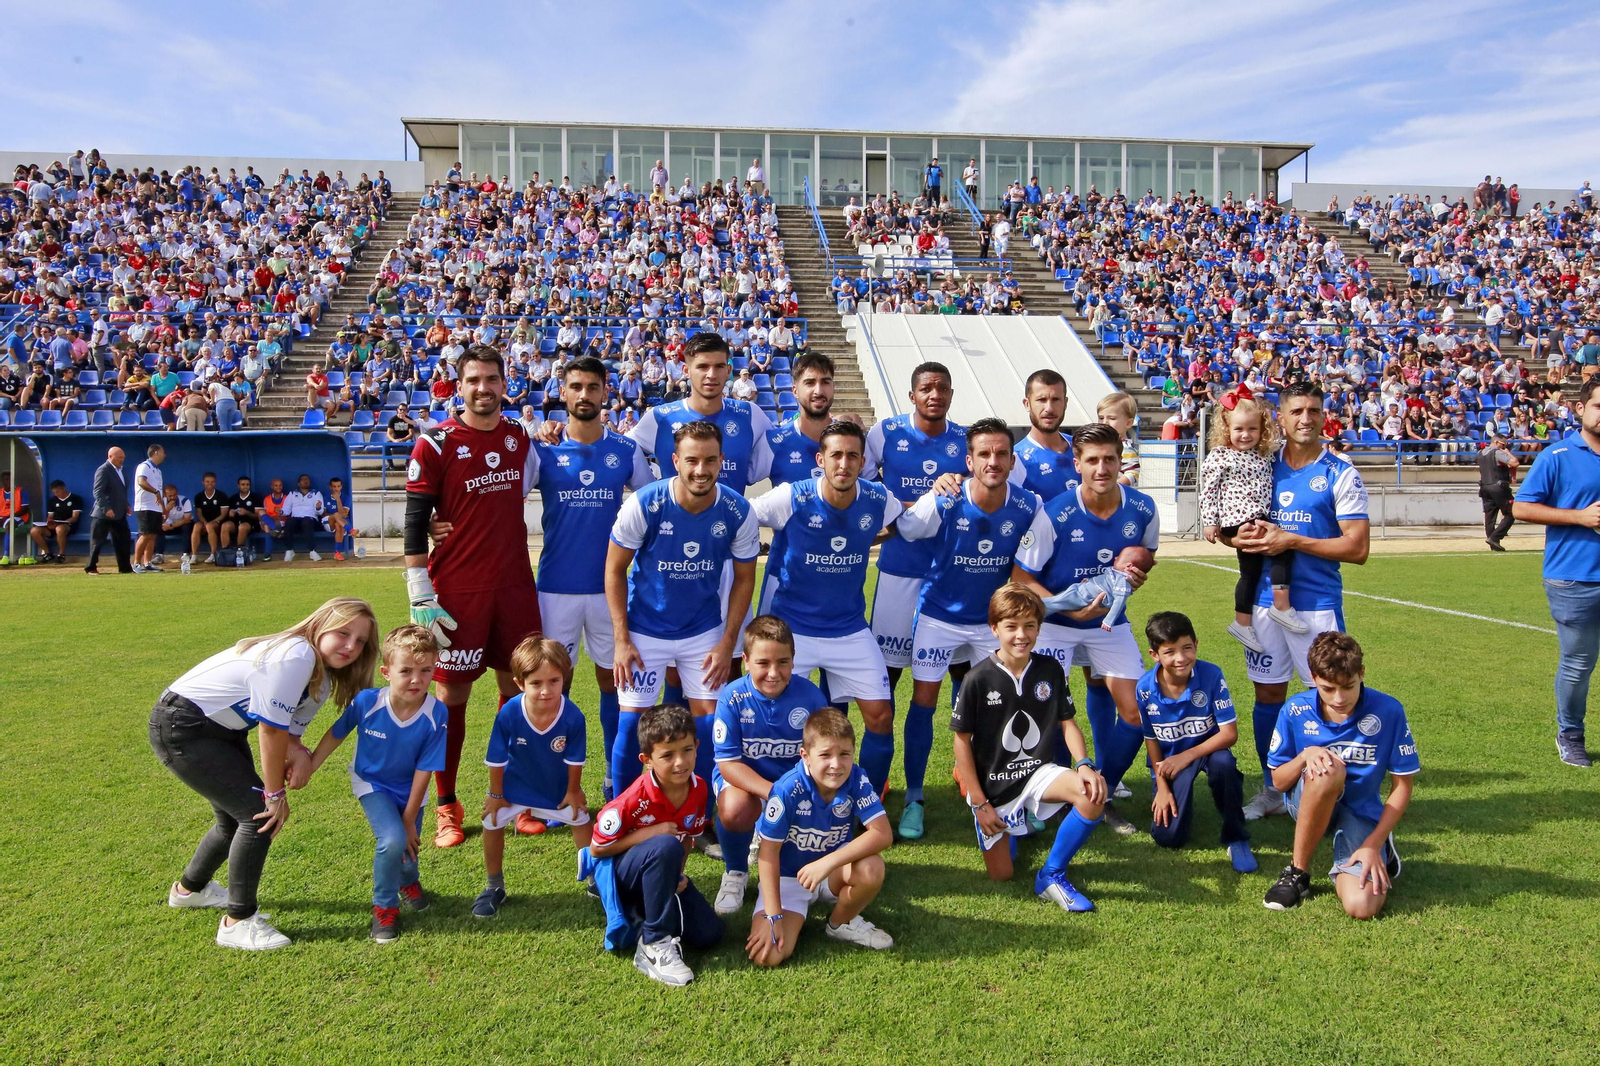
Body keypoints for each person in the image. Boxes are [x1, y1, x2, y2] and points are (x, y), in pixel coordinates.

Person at [150, 597, 378, 950]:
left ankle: (188, 891)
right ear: (320, 626)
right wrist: (274, 795)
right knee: (258, 816)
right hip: (183, 725)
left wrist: (301, 756)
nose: (351, 646)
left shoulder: (321, 680)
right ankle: (237, 922)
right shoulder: (296, 655)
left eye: (361, 641)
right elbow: (271, 732)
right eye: (343, 632)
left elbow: (290, 736)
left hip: (218, 731)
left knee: (233, 820)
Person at [404, 345, 543, 847]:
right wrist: (418, 588)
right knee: (450, 698)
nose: (483, 388)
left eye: (491, 379)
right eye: (473, 380)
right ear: (457, 386)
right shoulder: (435, 443)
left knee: (520, 693)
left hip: (513, 587)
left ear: (505, 384)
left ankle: (515, 797)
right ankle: (446, 804)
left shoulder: (518, 437)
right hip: (457, 590)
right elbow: (417, 521)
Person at [892, 417, 1051, 840]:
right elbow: (905, 529)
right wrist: (931, 493)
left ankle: (1011, 795)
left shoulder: (1029, 506)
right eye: (984, 453)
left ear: (1012, 460)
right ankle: (914, 798)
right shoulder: (948, 498)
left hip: (990, 625)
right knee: (924, 700)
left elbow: (1035, 566)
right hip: (939, 616)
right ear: (969, 460)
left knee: (1001, 707)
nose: (993, 461)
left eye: (1001, 453)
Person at [1227, 381, 1370, 820]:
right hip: (1264, 604)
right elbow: (1232, 523)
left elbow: (1358, 548)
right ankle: (1272, 787)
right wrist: (1236, 535)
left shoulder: (1340, 472)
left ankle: (1331, 785)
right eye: (1297, 412)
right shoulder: (1260, 465)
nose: (1306, 419)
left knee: (1329, 695)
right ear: (1282, 418)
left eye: (1313, 410)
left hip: (1315, 605)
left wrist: (1292, 540)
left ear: (1324, 415)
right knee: (1267, 694)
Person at [1011, 422, 1159, 834]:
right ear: (1077, 464)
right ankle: (1060, 792)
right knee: (1047, 711)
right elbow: (1021, 576)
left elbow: (1144, 560)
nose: (1101, 468)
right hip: (1057, 623)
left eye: (1109, 459)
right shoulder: (1055, 511)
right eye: (1091, 460)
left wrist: (1137, 577)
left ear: (1120, 460)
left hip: (1108, 626)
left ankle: (1103, 791)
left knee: (1136, 710)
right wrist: (1065, 609)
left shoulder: (1143, 508)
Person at [748, 420, 903, 795]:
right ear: (821, 459)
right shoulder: (792, 497)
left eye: (852, 456)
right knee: (775, 724)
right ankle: (776, 800)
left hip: (849, 630)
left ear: (863, 460)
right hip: (793, 632)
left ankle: (865, 804)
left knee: (881, 716)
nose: (844, 464)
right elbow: (743, 514)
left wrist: (866, 537)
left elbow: (899, 523)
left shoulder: (878, 498)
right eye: (836, 455)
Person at [605, 420, 760, 794]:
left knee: (708, 724)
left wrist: (727, 644)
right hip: (645, 630)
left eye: (710, 460)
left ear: (722, 460)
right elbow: (613, 570)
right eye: (692, 460)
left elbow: (744, 580)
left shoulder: (737, 511)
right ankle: (625, 812)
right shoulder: (645, 503)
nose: (701, 470)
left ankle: (701, 816)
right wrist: (622, 640)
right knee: (631, 724)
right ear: (675, 460)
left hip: (702, 632)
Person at [525, 357, 652, 806]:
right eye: (575, 386)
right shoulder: (541, 450)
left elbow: (654, 505)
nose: (583, 395)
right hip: (555, 588)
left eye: (592, 387)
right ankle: (550, 781)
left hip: (610, 591)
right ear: (562, 390)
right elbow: (503, 500)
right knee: (550, 684)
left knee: (614, 684)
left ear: (605, 393)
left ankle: (616, 777)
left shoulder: (626, 451)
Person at [951, 584, 1105, 911]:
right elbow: (961, 740)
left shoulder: (1049, 669)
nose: (1021, 635)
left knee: (1091, 793)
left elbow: (1067, 722)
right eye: (1011, 627)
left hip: (1037, 773)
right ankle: (1014, 823)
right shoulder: (977, 679)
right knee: (1002, 875)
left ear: (1039, 628)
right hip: (993, 788)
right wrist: (979, 802)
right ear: (994, 629)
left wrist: (1085, 763)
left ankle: (1051, 874)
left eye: (1030, 626)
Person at [305, 624, 447, 943]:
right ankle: (385, 907)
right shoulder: (368, 702)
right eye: (406, 670)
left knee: (409, 847)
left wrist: (410, 817)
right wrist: (311, 766)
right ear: (386, 671)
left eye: (426, 670)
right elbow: (337, 733)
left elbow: (426, 769)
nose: (416, 679)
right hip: (372, 783)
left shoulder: (436, 713)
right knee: (394, 840)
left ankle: (409, 881)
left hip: (411, 788)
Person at [1263, 633, 1419, 918]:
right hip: (1307, 800)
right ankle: (1297, 873)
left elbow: (1402, 785)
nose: (1338, 698)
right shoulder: (1296, 709)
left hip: (1360, 811)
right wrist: (1304, 756)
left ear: (1362, 673)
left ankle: (1381, 844)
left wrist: (1373, 843)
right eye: (1327, 688)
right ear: (1313, 677)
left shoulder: (1389, 710)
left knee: (1361, 906)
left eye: (1348, 687)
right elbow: (1279, 782)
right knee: (1327, 771)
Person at [863, 362, 967, 757]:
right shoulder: (885, 433)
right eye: (926, 388)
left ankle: (964, 767)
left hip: (949, 575)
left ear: (951, 396)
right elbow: (864, 489)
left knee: (963, 672)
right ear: (912, 395)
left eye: (942, 388)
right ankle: (881, 775)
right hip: (898, 572)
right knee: (886, 677)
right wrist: (918, 503)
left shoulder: (965, 439)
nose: (934, 395)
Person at [586, 703, 725, 987]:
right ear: (647, 759)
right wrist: (651, 832)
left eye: (687, 750)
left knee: (710, 934)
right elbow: (597, 850)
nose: (680, 762)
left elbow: (686, 838)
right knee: (664, 844)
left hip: (661, 867)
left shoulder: (699, 789)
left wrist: (677, 875)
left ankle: (644, 914)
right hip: (622, 874)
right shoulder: (633, 799)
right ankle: (653, 943)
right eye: (667, 755)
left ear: (697, 746)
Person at [748, 707, 894, 965]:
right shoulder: (786, 790)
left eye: (844, 754)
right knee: (768, 955)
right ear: (805, 755)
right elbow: (768, 854)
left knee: (872, 868)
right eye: (825, 755)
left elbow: (883, 834)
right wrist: (773, 916)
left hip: (832, 870)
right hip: (790, 879)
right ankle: (785, 912)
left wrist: (827, 863)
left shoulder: (857, 778)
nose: (836, 765)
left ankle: (840, 923)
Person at [710, 615, 831, 916]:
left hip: (793, 781)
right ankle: (736, 872)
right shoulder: (732, 697)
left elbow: (825, 755)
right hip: (746, 781)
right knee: (735, 811)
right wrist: (775, 794)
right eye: (763, 663)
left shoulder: (811, 697)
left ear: (793, 661)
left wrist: (804, 792)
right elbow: (728, 764)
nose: (774, 673)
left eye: (783, 662)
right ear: (746, 660)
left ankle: (816, 866)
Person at [1512, 376, 1600, 767]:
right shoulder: (1558, 455)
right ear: (1581, 408)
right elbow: (1521, 507)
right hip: (1574, 578)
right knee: (1578, 662)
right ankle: (1570, 733)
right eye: (1599, 405)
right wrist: (1578, 518)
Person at [473, 638, 593, 918]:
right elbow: (496, 758)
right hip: (514, 788)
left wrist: (573, 790)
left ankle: (594, 879)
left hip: (556, 789)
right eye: (536, 683)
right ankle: (494, 886)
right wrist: (495, 795)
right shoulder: (510, 712)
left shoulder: (573, 716)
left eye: (554, 680)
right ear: (519, 683)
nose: (546, 690)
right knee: (491, 821)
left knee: (581, 819)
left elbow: (575, 759)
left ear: (565, 677)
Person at [1136, 612, 1256, 872]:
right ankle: (1179, 797)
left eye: (1187, 648)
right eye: (1170, 652)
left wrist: (1187, 756)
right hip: (1170, 760)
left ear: (1196, 645)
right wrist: (1162, 786)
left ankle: (1236, 836)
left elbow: (1229, 734)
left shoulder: (1211, 675)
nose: (1181, 658)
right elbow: (1151, 739)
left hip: (1208, 751)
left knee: (1224, 764)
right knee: (1168, 838)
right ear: (1154, 655)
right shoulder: (1144, 688)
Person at [1200, 396, 1303, 652]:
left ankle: (1242, 622)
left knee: (1251, 571)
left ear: (1262, 430)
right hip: (1237, 518)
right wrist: (1210, 522)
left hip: (1257, 516)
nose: (1245, 435)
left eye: (1252, 429)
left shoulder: (1263, 455)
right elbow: (1208, 490)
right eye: (1239, 429)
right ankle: (1280, 607)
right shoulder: (1220, 456)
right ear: (1227, 429)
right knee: (1282, 549)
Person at [1010, 369, 1079, 500]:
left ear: (1065, 403)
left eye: (1055, 399)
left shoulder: (1082, 448)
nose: (1049, 408)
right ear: (1027, 404)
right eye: (1041, 400)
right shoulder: (1015, 460)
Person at [85, 446, 133, 575]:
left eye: (123, 458)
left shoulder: (121, 470)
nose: (121, 460)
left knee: (123, 540)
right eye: (119, 458)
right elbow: (98, 491)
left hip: (119, 513)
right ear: (110, 457)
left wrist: (126, 505)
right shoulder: (103, 470)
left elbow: (120, 491)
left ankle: (125, 568)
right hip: (103, 514)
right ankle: (91, 567)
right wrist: (106, 508)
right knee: (97, 542)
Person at [1479, 433, 1519, 551]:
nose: (1504, 447)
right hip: (1499, 487)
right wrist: (1507, 452)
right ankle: (1495, 538)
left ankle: (1493, 545)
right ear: (1497, 443)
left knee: (1489, 516)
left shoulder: (1480, 453)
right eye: (1503, 444)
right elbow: (1514, 462)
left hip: (1485, 487)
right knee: (1512, 513)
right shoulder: (1497, 452)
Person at [31, 479, 83, 563]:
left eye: (57, 492)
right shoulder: (52, 501)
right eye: (54, 492)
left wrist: (63, 522)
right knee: (34, 531)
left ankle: (61, 554)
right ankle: (47, 553)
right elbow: (50, 516)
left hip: (68, 525)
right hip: (54, 525)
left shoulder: (76, 499)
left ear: (63, 488)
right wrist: (49, 522)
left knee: (60, 528)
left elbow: (74, 517)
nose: (56, 494)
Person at [132, 443, 165, 573]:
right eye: (163, 452)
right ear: (156, 452)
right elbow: (142, 482)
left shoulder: (158, 470)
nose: (164, 455)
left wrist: (163, 508)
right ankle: (136, 563)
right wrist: (155, 492)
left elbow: (160, 491)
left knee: (152, 535)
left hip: (155, 508)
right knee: (145, 535)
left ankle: (147, 562)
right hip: (144, 506)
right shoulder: (144, 466)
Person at [282, 474, 326, 562]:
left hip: (311, 520)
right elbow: (286, 510)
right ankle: (289, 550)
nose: (306, 481)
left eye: (308, 480)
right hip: (296, 520)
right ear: (299, 484)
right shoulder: (292, 493)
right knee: (289, 522)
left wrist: (318, 507)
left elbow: (320, 512)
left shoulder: (316, 493)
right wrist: (281, 511)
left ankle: (312, 551)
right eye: (303, 480)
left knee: (306, 522)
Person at [190, 472, 231, 564]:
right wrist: (204, 522)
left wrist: (211, 522)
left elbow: (223, 514)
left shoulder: (221, 495)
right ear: (203, 482)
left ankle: (213, 554)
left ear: (215, 483)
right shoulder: (199, 496)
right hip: (204, 521)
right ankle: (194, 555)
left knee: (210, 526)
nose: (210, 484)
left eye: (212, 482)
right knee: (196, 526)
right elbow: (199, 513)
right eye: (207, 481)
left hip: (217, 522)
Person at [222, 476, 261, 559]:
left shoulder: (256, 497)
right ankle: (225, 553)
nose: (245, 486)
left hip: (251, 523)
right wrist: (230, 514)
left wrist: (247, 512)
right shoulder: (233, 498)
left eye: (247, 484)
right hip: (236, 522)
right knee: (225, 525)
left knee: (242, 527)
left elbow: (258, 516)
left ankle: (238, 552)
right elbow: (229, 515)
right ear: (238, 485)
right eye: (243, 484)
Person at [159, 484, 194, 558]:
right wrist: (167, 510)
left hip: (180, 525)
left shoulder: (184, 500)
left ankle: (186, 553)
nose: (172, 498)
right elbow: (159, 520)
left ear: (177, 493)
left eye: (174, 495)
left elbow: (187, 519)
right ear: (165, 495)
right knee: (157, 527)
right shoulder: (161, 502)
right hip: (167, 526)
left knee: (187, 526)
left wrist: (171, 526)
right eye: (170, 496)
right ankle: (159, 555)